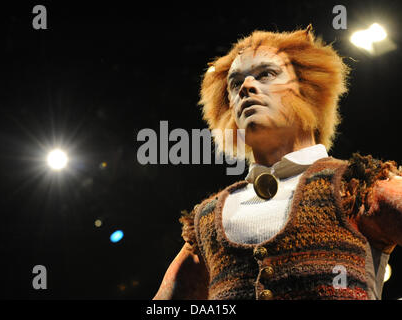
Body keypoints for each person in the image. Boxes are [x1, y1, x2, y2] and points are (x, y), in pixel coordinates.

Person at [153, 25, 402, 300]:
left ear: (307, 88)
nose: (246, 87)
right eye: (235, 84)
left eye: (266, 74)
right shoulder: (207, 220)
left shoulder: (356, 187)